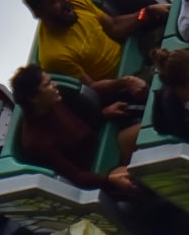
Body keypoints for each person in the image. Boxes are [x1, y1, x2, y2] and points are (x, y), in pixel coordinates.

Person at [22, 0, 170, 102]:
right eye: (54, 1)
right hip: (122, 81)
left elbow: (114, 26)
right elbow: (91, 88)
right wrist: (125, 82)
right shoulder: (53, 56)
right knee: (168, 72)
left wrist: (147, 13)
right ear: (38, 12)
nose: (65, 0)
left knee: (166, 33)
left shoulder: (77, 1)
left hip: (131, 50)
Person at [10, 64, 138, 193]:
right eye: (47, 84)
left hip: (104, 145)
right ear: (33, 98)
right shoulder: (35, 142)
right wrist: (109, 180)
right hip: (98, 172)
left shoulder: (52, 101)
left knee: (144, 135)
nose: (55, 85)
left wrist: (103, 114)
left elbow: (82, 127)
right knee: (137, 178)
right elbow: (76, 177)